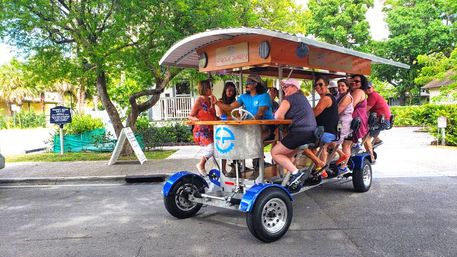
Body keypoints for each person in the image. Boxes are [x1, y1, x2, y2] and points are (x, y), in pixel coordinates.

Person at [214, 73, 274, 177]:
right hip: (250, 126)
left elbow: (260, 114)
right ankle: (236, 166)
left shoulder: (264, 96)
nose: (246, 84)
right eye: (246, 82)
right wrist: (216, 102)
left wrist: (245, 122)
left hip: (266, 126)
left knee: (255, 139)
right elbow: (229, 107)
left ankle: (257, 169)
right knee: (236, 139)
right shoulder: (244, 97)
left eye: (249, 82)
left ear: (255, 84)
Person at [271, 79, 318, 187]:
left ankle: (296, 173)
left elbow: (278, 116)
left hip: (300, 132)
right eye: (283, 87)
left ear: (294, 87)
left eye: (286, 86)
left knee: (275, 153)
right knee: (286, 154)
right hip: (311, 133)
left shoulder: (289, 98)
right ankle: (289, 180)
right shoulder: (302, 98)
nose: (284, 89)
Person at [303, 76, 339, 178]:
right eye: (316, 85)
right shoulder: (328, 97)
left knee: (301, 145)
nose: (318, 87)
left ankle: (320, 164)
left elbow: (313, 113)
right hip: (327, 132)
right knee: (313, 147)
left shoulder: (326, 98)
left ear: (326, 84)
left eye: (320, 84)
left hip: (325, 133)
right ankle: (319, 170)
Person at [188, 79, 217, 176]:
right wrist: (195, 119)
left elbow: (213, 115)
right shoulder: (199, 100)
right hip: (202, 130)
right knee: (211, 148)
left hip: (211, 129)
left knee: (216, 148)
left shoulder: (210, 100)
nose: (211, 89)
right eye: (210, 87)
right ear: (205, 89)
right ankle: (201, 164)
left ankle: (217, 169)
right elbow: (190, 115)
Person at [364, 82, 391, 162]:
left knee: (365, 139)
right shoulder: (374, 95)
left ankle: (371, 157)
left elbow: (365, 110)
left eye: (369, 88)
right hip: (382, 120)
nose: (367, 89)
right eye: (366, 88)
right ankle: (377, 140)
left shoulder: (372, 96)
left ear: (373, 87)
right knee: (368, 134)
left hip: (381, 121)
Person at [215, 81, 237, 174]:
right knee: (225, 149)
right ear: (225, 91)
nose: (230, 93)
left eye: (232, 91)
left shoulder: (235, 102)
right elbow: (221, 115)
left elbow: (238, 114)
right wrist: (234, 118)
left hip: (235, 128)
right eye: (229, 90)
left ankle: (235, 166)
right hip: (224, 129)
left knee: (236, 148)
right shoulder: (220, 102)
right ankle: (223, 170)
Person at [333, 79, 354, 172]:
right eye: (339, 86)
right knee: (345, 145)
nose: (340, 88)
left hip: (344, 122)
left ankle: (343, 163)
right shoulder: (340, 96)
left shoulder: (347, 97)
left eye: (342, 86)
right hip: (342, 122)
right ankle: (343, 165)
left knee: (334, 142)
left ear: (347, 87)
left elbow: (338, 110)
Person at [350, 74, 369, 148]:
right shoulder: (358, 91)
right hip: (359, 120)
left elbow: (350, 106)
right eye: (352, 81)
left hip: (356, 121)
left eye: (357, 81)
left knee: (346, 145)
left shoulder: (358, 91)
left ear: (362, 83)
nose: (354, 83)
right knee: (347, 145)